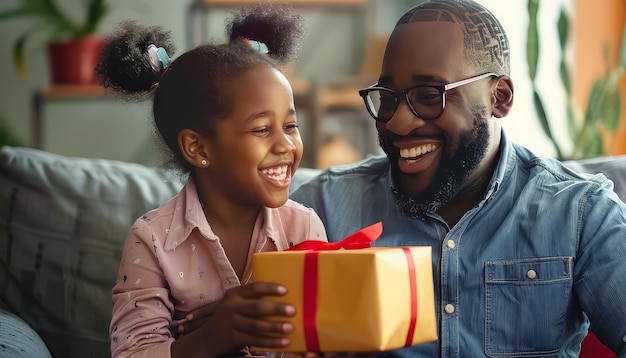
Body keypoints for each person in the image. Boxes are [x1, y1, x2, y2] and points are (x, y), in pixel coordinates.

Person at [290, 0, 626, 357]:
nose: (398, 124)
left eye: (429, 95)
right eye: (388, 99)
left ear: (500, 97)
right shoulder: (321, 209)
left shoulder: (582, 213)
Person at [96, 5, 328, 358]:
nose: (286, 145)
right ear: (198, 147)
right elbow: (132, 352)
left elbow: (323, 338)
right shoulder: (153, 241)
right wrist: (214, 336)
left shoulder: (304, 227)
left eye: (291, 126)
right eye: (262, 129)